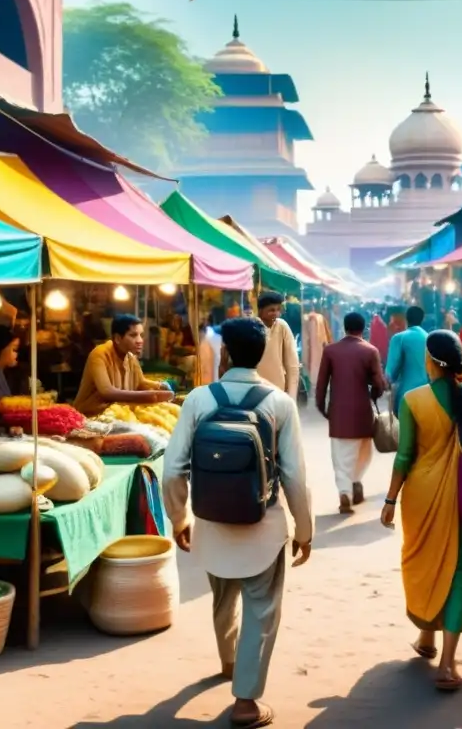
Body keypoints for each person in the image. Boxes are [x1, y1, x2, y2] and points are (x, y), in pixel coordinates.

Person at [163, 318, 314, 728]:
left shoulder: (198, 399)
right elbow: (295, 476)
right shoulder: (279, 402)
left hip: (211, 525)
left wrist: (179, 517)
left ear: (225, 352)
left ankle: (229, 662)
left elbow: (173, 469)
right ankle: (245, 701)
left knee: (223, 598)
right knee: (261, 610)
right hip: (262, 528)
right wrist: (304, 531)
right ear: (262, 353)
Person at [380, 330, 462, 692]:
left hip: (422, 496)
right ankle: (445, 662)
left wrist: (389, 499)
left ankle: (427, 637)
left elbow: (404, 455)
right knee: (460, 568)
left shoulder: (413, 400)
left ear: (430, 360)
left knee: (425, 563)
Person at [316, 312, 387, 514]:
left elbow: (321, 384)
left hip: (339, 412)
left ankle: (345, 492)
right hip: (363, 411)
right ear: (363, 329)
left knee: (341, 455)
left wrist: (323, 407)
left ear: (344, 327)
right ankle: (356, 482)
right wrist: (373, 395)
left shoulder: (331, 351)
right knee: (362, 452)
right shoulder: (370, 351)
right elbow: (379, 384)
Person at [72, 314, 174, 417]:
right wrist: (151, 396)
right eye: (133, 335)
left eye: (141, 335)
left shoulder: (131, 357)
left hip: (115, 416)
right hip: (87, 417)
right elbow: (107, 391)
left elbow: (140, 383)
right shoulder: (99, 354)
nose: (140, 341)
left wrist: (160, 386)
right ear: (117, 338)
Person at [252, 293, 300, 400]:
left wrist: (292, 397)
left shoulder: (282, 326)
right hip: (254, 390)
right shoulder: (251, 326)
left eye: (278, 310)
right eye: (271, 310)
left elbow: (292, 364)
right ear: (260, 311)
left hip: (278, 390)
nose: (276, 313)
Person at [386, 306, 429, 414]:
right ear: (423, 319)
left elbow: (391, 372)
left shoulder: (399, 338)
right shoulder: (429, 338)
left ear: (406, 318)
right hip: (428, 395)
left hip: (406, 396)